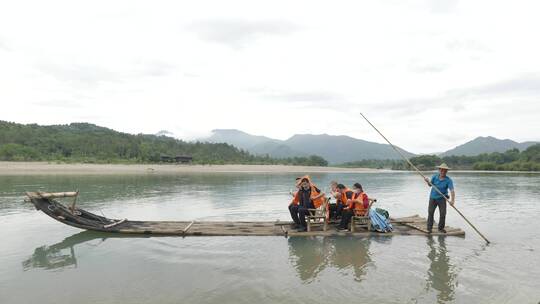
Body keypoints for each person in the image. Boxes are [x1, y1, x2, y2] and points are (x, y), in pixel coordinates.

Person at [424, 163, 455, 234]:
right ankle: (429, 228)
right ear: (439, 170)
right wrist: (427, 181)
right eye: (442, 170)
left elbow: (452, 190)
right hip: (433, 198)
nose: (443, 172)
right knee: (430, 212)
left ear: (446, 171)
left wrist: (452, 201)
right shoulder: (435, 177)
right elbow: (430, 185)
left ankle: (441, 228)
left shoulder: (448, 180)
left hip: (442, 198)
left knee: (443, 214)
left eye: (445, 170)